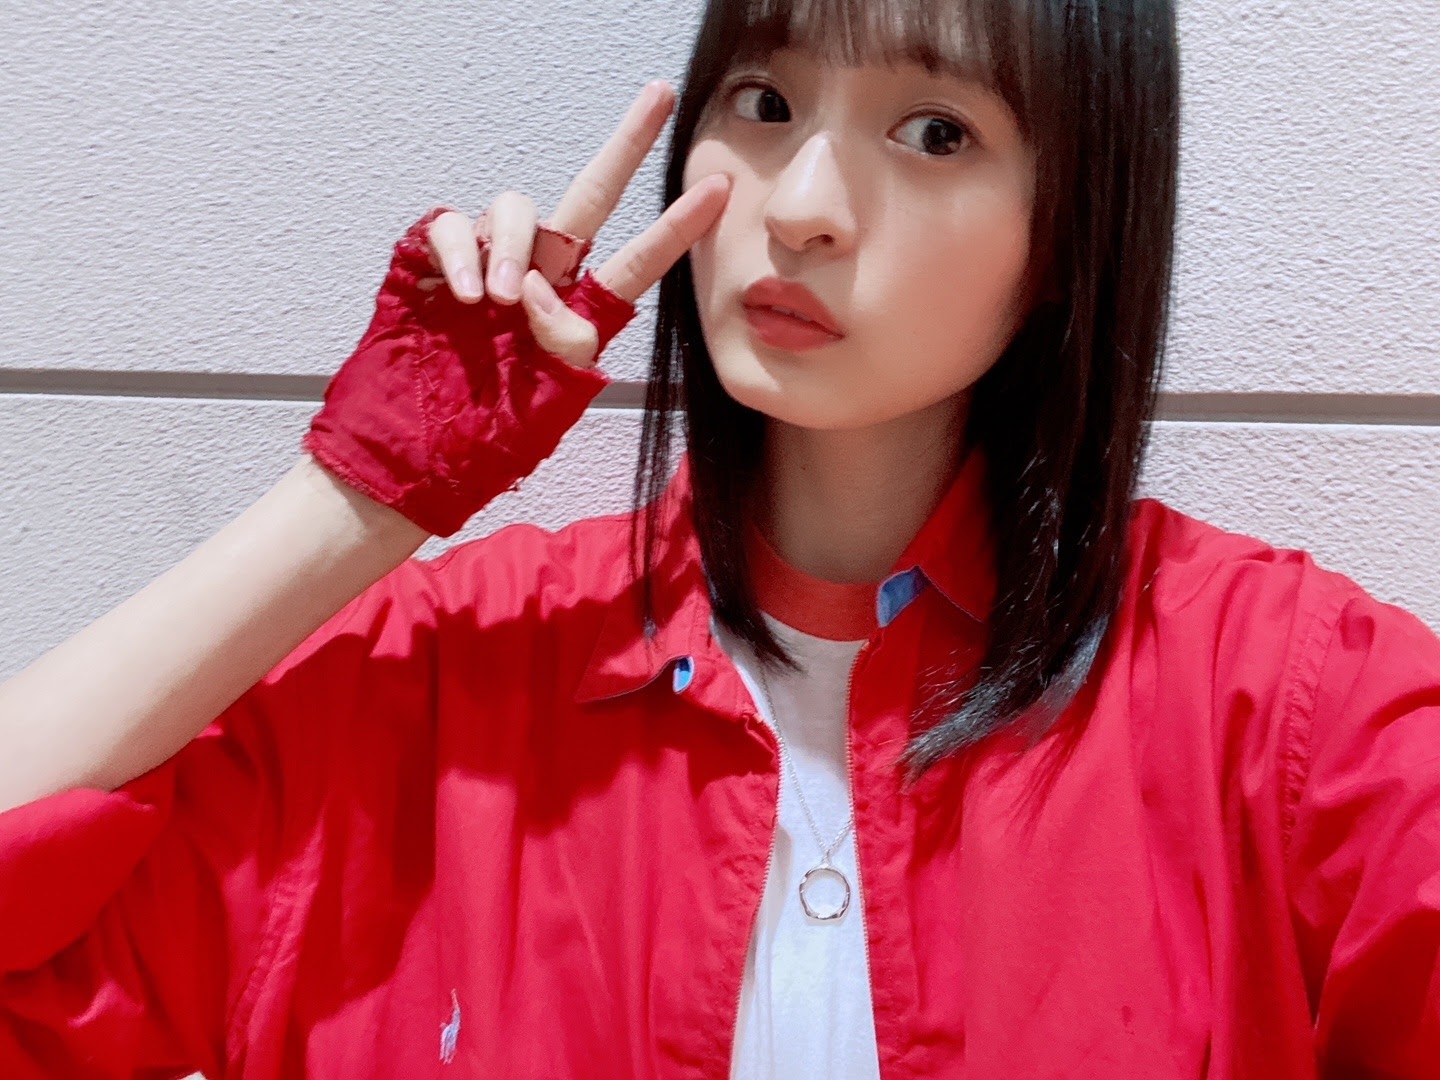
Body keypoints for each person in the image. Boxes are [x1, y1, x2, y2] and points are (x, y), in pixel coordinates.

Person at [1, 0, 1436, 1075]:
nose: (799, 208)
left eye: (936, 131)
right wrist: (359, 496)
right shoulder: (442, 680)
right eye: (763, 100)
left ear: (1069, 228)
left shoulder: (1286, 704)